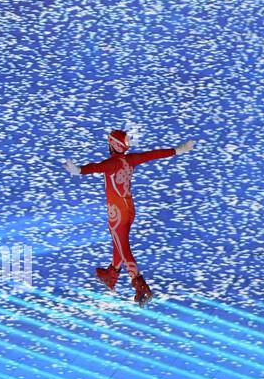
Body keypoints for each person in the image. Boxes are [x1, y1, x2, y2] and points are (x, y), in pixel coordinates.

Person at [64, 129, 196, 304]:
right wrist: (178, 150)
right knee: (119, 242)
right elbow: (152, 155)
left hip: (116, 212)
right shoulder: (130, 160)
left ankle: (141, 286)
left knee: (124, 248)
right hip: (129, 210)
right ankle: (112, 274)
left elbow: (96, 167)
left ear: (113, 145)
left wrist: (78, 170)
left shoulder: (112, 163)